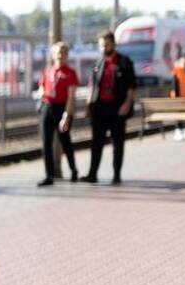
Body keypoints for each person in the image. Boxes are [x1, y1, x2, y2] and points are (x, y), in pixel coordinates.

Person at [84, 31, 136, 184]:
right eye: (101, 45)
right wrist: (88, 106)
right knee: (96, 142)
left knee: (117, 143)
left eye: (106, 44)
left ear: (113, 44)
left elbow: (132, 87)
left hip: (117, 108)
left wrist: (127, 104)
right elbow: (91, 86)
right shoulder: (98, 63)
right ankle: (92, 174)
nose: (104, 48)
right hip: (99, 108)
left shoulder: (125, 62)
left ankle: (116, 175)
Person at [35, 41, 80, 185]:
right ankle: (49, 175)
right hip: (47, 107)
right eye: (58, 52)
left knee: (65, 141)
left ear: (67, 55)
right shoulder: (48, 71)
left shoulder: (70, 73)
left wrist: (66, 115)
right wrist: (41, 94)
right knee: (46, 143)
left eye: (63, 52)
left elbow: (71, 97)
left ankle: (73, 170)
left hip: (62, 108)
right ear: (53, 55)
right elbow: (41, 88)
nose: (60, 55)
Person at [170, 54, 185, 140]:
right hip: (179, 97)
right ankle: (179, 130)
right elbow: (174, 85)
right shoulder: (177, 71)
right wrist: (177, 97)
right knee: (179, 114)